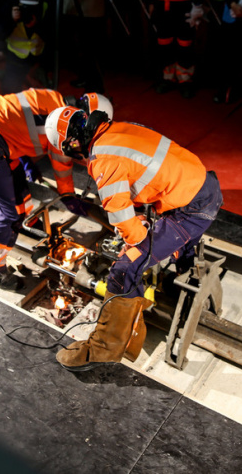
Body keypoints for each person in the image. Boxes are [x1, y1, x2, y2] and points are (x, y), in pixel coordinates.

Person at [45, 105, 223, 371]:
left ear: (72, 144)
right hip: (197, 187)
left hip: (190, 209)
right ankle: (178, 280)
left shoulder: (102, 159)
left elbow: (120, 216)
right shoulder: (119, 128)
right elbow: (143, 173)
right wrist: (141, 222)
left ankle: (103, 349)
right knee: (156, 246)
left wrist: (135, 242)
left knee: (125, 268)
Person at [0, 89, 111, 288]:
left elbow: (15, 123)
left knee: (23, 202)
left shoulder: (51, 99)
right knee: (12, 212)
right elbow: (62, 166)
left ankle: (17, 230)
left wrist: (25, 159)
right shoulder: (66, 126)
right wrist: (68, 196)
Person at [2, 0, 47, 93]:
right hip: (15, 57)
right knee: (10, 90)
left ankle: (30, 77)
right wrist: (11, 21)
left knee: (43, 92)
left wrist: (36, 26)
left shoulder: (45, 6)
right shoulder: (10, 6)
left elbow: (51, 33)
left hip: (38, 56)